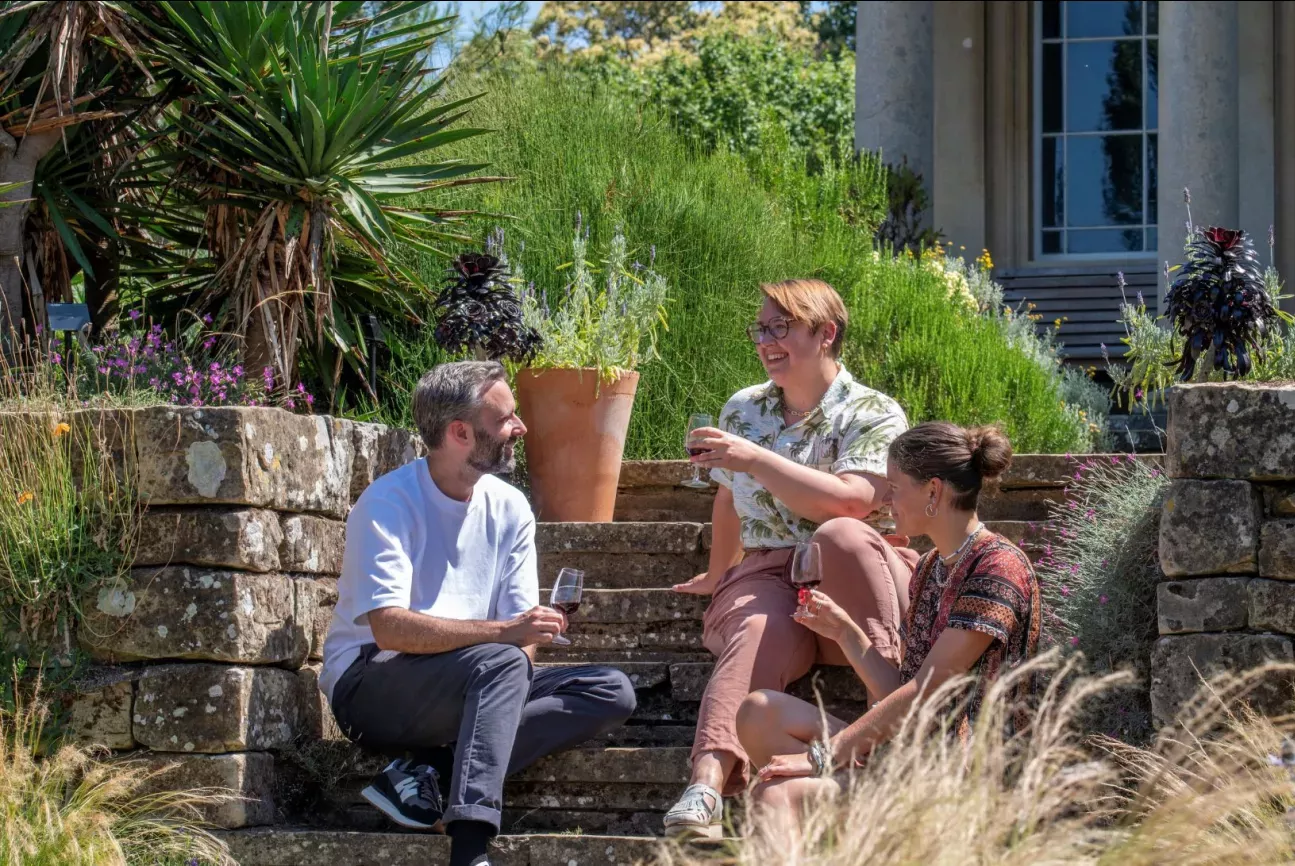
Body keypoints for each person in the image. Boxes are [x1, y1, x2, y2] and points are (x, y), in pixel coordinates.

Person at [319, 361, 637, 866]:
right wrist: (507, 638)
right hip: (371, 685)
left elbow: (521, 634)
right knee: (501, 662)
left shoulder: (509, 506)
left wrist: (517, 643)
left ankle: (435, 775)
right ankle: (470, 845)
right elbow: (389, 628)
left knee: (610, 689)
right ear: (460, 432)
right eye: (506, 418)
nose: (521, 427)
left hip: (475, 678)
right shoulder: (387, 503)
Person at [664, 279, 914, 839]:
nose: (767, 340)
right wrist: (716, 570)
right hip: (770, 571)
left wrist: (756, 460)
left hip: (852, 574)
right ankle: (705, 785)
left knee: (841, 534)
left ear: (826, 334)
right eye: (761, 328)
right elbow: (728, 497)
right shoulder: (744, 408)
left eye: (782, 327)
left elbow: (853, 500)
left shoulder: (875, 411)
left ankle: (898, 710)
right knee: (754, 625)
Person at [736, 422, 1041, 846]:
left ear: (933, 491)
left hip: (961, 778)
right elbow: (902, 691)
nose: (885, 498)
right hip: (908, 754)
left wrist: (825, 754)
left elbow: (925, 691)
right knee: (757, 711)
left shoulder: (998, 569)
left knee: (774, 793)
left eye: (894, 486)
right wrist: (845, 632)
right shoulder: (931, 568)